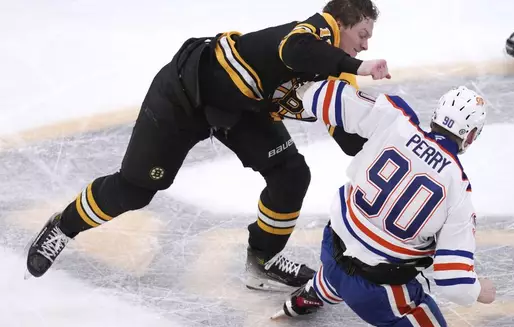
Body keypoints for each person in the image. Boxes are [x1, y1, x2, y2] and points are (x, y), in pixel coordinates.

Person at [26, 0, 389, 291]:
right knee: (135, 191)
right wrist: (356, 65)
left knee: (291, 175)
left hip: (239, 109)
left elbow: (343, 130)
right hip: (185, 95)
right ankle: (63, 226)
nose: (366, 44)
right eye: (362, 33)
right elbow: (296, 50)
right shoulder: (317, 31)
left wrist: (384, 155)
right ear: (340, 21)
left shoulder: (333, 69)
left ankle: (262, 261)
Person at [273, 81, 497, 327]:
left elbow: (330, 98)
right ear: (471, 136)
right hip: (377, 292)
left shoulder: (397, 117)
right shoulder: (458, 191)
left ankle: (309, 295)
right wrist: (480, 290)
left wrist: (295, 83)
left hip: (331, 249)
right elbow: (453, 281)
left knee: (357, 243)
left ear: (434, 115)